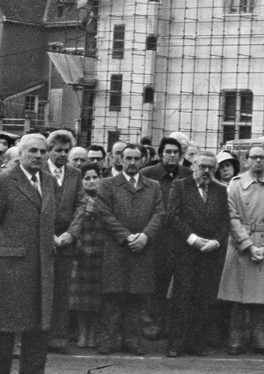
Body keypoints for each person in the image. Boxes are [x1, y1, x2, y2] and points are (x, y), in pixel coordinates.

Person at [0, 133, 56, 374]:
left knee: (37, 333)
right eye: (32, 151)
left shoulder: (50, 181)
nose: (38, 156)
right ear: (20, 153)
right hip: (10, 268)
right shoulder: (3, 181)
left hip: (42, 268)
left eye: (43, 152)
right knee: (2, 332)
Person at [217, 146, 264, 357]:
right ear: (247, 160)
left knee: (263, 299)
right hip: (242, 245)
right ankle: (236, 340)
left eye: (262, 158)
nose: (258, 161)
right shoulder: (236, 184)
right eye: (254, 157)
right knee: (239, 299)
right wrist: (248, 245)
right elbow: (232, 217)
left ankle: (262, 341)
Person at [95, 143, 165, 355]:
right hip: (116, 249)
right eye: (128, 158)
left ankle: (132, 340)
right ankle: (108, 340)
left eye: (136, 158)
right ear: (120, 160)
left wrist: (145, 236)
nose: (132, 162)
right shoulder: (108, 184)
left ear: (143, 160)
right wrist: (126, 236)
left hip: (142, 250)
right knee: (112, 298)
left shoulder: (153, 186)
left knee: (137, 298)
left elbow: (159, 213)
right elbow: (104, 213)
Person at [167, 150, 229, 357]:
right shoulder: (180, 186)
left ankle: (196, 344)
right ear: (194, 165)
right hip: (186, 251)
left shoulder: (221, 190)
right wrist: (192, 239)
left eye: (211, 167)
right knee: (182, 298)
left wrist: (217, 242)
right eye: (202, 166)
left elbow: (225, 221)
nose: (206, 170)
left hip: (210, 253)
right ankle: (176, 344)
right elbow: (173, 217)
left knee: (204, 299)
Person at [140, 137, 192, 340]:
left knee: (179, 281)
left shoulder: (187, 175)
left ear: (181, 156)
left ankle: (173, 324)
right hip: (156, 237)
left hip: (181, 236)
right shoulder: (148, 174)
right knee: (156, 281)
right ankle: (153, 322)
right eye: (168, 152)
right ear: (161, 154)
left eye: (176, 152)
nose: (172, 155)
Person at [46, 129, 86, 354]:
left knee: (62, 291)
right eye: (58, 150)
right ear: (49, 151)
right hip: (43, 241)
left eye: (66, 150)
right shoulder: (40, 172)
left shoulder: (74, 174)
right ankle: (38, 336)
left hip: (67, 242)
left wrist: (72, 233)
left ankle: (58, 338)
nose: (62, 154)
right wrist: (48, 234)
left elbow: (81, 205)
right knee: (42, 290)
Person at [69, 164, 103, 349]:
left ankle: (93, 333)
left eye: (94, 177)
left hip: (100, 250)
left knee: (96, 298)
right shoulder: (78, 199)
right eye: (86, 178)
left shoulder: (105, 198)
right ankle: (82, 333)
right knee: (81, 299)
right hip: (81, 251)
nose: (91, 181)